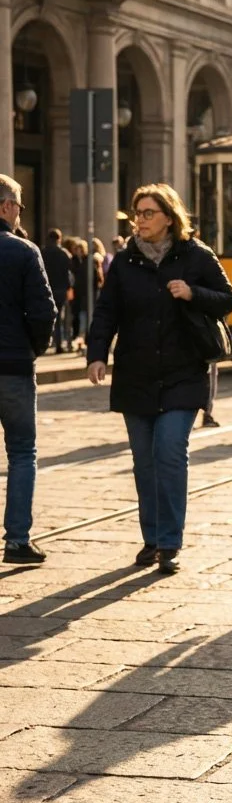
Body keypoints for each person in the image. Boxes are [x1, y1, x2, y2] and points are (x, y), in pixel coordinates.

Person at [87, 184, 232, 575]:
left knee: (169, 453)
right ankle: (151, 538)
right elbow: (107, 312)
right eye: (137, 213)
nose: (140, 220)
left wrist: (192, 292)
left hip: (183, 374)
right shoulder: (125, 262)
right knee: (143, 462)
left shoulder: (196, 256)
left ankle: (169, 542)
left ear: (169, 217)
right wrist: (97, 354)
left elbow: (228, 299)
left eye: (148, 213)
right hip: (136, 375)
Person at [0, 176, 57, 564]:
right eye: (19, 206)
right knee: (22, 452)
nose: (21, 213)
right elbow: (44, 312)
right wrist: (32, 349)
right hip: (13, 368)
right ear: (6, 207)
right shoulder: (24, 251)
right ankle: (17, 541)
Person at [41, 228, 73, 353]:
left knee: (46, 317)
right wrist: (68, 287)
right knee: (60, 317)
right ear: (59, 239)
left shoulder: (43, 252)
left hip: (46, 289)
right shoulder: (63, 253)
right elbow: (69, 272)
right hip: (61, 289)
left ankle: (45, 343)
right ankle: (59, 344)